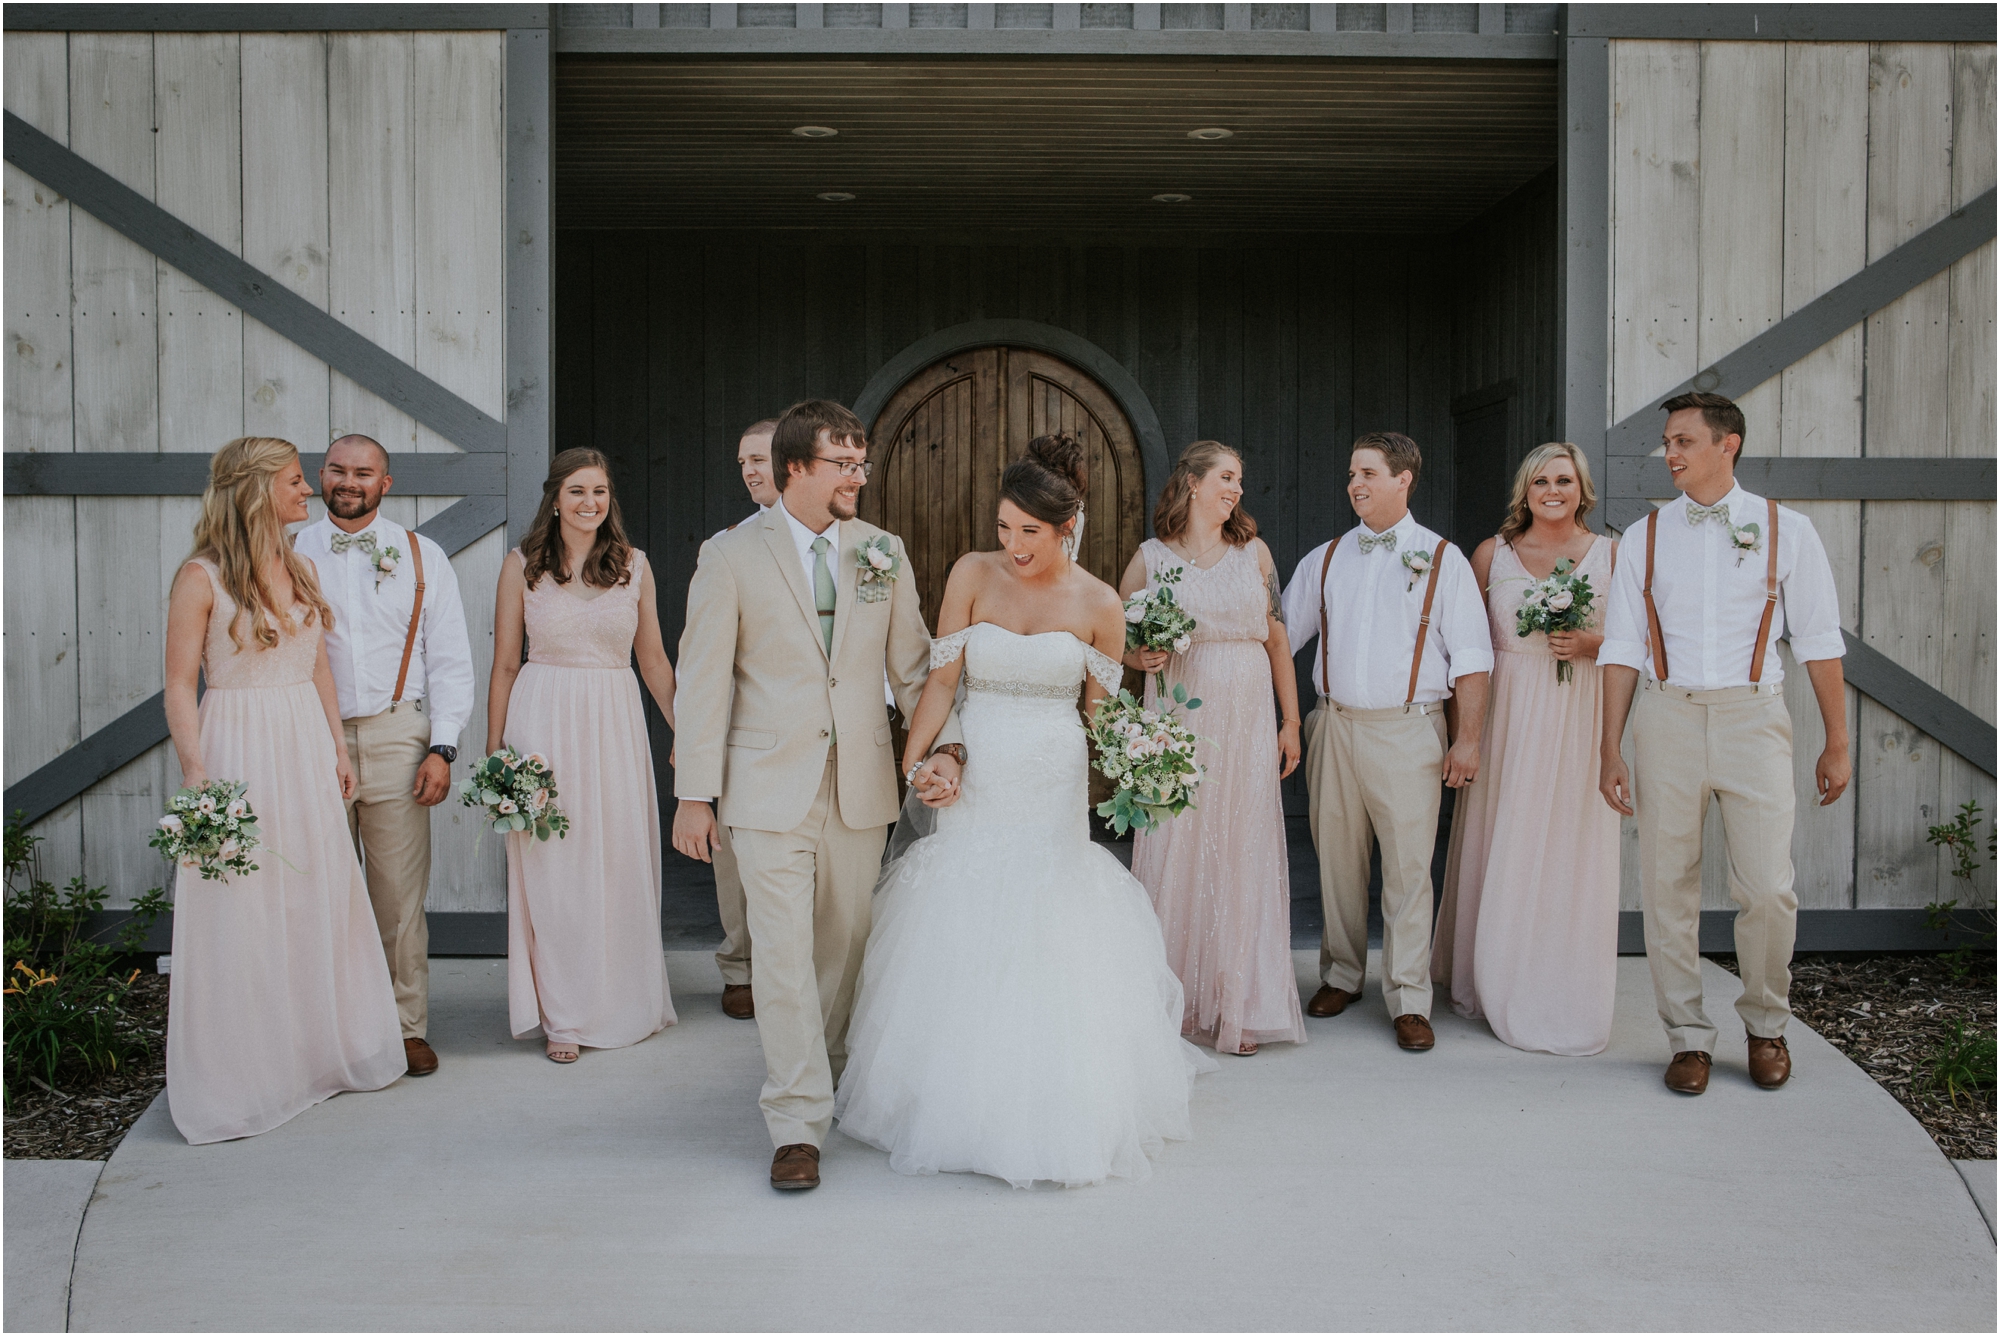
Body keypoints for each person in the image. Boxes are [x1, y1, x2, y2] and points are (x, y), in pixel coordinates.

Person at [836, 433, 1214, 1188]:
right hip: (979, 761)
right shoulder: (972, 575)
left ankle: (1050, 1099)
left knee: (1044, 914)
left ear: (1067, 526)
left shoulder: (1103, 604)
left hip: (1050, 772)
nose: (1013, 546)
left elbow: (1101, 715)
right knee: (965, 910)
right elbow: (942, 684)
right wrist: (918, 764)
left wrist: (1145, 761)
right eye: (1004, 527)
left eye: (1029, 533)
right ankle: (948, 1091)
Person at [672, 399, 961, 1192]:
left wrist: (949, 748)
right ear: (797, 467)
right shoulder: (729, 556)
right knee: (785, 955)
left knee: (843, 946)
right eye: (845, 463)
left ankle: (827, 1074)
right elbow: (702, 681)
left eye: (862, 463)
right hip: (764, 785)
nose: (859, 477)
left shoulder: (882, 552)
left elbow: (912, 668)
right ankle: (796, 1121)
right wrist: (693, 794)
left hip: (861, 783)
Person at [1598, 392, 1849, 1096]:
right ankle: (1686, 1037)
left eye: (1682, 441)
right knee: (1665, 885)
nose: (1670, 454)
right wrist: (1609, 747)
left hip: (1754, 719)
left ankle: (1767, 1025)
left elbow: (1820, 642)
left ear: (1726, 444)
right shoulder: (1645, 536)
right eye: (1667, 443)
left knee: (1768, 888)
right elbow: (1622, 645)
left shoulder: (1786, 529)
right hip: (1665, 716)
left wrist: (1838, 741)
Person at [161, 437, 404, 1144]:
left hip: (302, 742)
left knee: (312, 898)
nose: (310, 491)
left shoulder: (298, 566)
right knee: (245, 907)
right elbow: (180, 683)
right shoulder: (202, 577)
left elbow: (319, 666)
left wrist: (335, 745)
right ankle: (247, 1072)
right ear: (257, 489)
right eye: (296, 481)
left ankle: (315, 1055)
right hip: (237, 744)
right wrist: (196, 773)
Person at [1281, 432, 1491, 1052]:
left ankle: (1408, 997)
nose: (1355, 483)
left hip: (1409, 728)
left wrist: (1468, 738)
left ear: (1404, 480)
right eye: (1351, 473)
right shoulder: (1322, 559)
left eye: (1368, 472)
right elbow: (1278, 637)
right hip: (1335, 724)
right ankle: (1341, 975)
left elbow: (1473, 659)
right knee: (1338, 860)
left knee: (1407, 869)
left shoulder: (1442, 558)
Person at [487, 449, 679, 1063]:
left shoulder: (634, 566)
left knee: (618, 856)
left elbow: (653, 660)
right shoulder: (521, 566)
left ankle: (623, 999)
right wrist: (496, 755)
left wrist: (686, 734)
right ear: (555, 498)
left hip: (614, 722)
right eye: (576, 491)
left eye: (599, 491)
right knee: (555, 868)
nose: (589, 502)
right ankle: (562, 1014)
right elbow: (505, 664)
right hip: (542, 719)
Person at [1118, 440, 1306, 1057]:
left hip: (1249, 719)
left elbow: (1278, 640)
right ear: (1193, 483)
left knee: (1242, 846)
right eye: (1226, 478)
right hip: (1178, 721)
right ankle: (1176, 998)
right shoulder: (1151, 559)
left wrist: (1291, 722)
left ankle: (1239, 1002)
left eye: (1240, 482)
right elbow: (1115, 636)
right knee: (1178, 846)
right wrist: (1135, 655)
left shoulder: (1254, 554)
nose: (1236, 490)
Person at [295, 434, 475, 1077]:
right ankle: (329, 1027)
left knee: (397, 896)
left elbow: (450, 660)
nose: (349, 481)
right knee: (319, 889)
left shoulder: (421, 556)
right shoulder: (288, 552)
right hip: (310, 736)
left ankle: (405, 1028)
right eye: (338, 470)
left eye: (363, 472)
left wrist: (443, 747)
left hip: (400, 733)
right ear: (321, 476)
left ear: (386, 483)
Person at [1432, 442, 1620, 1056]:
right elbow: (1467, 648)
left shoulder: (1612, 555)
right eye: (1540, 481)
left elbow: (1637, 643)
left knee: (1568, 839)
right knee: (1504, 836)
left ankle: (1556, 978)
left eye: (1564, 479)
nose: (1552, 490)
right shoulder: (1493, 554)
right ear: (1525, 490)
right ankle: (1492, 972)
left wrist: (1591, 643)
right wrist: (1467, 735)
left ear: (1582, 488)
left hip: (1576, 714)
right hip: (1509, 715)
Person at [703, 417, 781, 1021]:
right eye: (743, 461)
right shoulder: (728, 545)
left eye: (761, 457)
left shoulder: (854, 545)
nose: (751, 470)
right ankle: (741, 966)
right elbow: (705, 655)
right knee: (736, 853)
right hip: (743, 722)